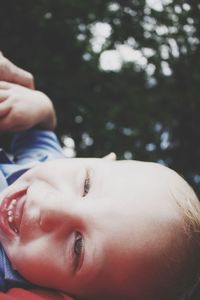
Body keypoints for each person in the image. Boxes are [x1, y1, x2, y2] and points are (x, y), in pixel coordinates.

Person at [0, 53, 199, 300]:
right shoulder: (47, 164)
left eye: (78, 246)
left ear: (66, 294)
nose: (51, 207)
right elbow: (40, 128)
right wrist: (40, 106)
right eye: (85, 185)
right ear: (98, 160)